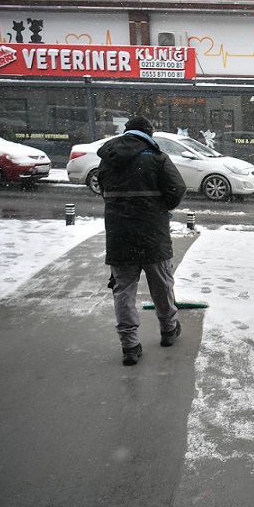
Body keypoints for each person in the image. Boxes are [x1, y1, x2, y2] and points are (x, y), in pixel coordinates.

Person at [98, 115, 187, 366]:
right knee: (161, 285)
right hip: (153, 233)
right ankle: (168, 330)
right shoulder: (156, 157)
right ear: (148, 133)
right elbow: (177, 188)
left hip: (119, 234)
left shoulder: (108, 157)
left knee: (123, 290)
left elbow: (102, 188)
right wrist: (160, 207)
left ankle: (129, 345)